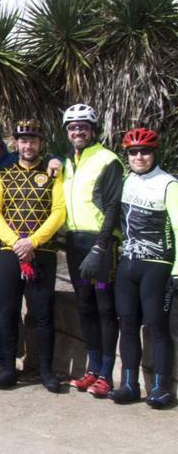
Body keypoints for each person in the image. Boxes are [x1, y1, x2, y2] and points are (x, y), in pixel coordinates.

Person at [0, 119, 65, 393]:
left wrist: (33, 241)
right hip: (10, 252)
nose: (28, 145)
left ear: (40, 143)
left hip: (41, 252)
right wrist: (15, 241)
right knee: (7, 311)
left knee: (43, 313)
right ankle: (8, 368)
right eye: (23, 140)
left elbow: (59, 211)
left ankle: (45, 370)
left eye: (33, 140)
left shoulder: (54, 173)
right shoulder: (4, 174)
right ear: (16, 143)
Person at [108, 128, 177, 408]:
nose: (139, 156)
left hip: (157, 266)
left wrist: (177, 271)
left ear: (154, 153)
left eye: (145, 151)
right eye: (133, 152)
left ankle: (161, 388)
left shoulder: (168, 184)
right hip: (128, 264)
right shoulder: (125, 181)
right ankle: (128, 384)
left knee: (157, 328)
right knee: (127, 325)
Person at [59, 104, 123, 398]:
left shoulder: (108, 160)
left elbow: (112, 207)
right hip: (75, 242)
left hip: (101, 244)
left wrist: (100, 245)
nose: (77, 131)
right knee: (85, 306)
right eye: (72, 127)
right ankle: (93, 369)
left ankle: (107, 375)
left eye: (82, 126)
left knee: (105, 307)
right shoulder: (67, 163)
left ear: (92, 130)